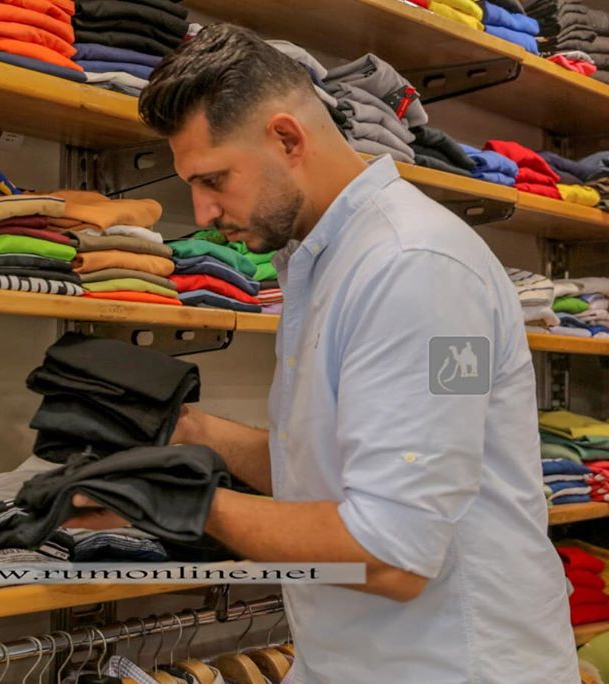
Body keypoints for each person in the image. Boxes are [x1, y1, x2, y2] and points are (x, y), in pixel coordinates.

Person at [65, 23, 578, 684]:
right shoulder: (327, 261)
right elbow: (334, 471)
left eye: (214, 178)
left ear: (287, 138)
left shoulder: (415, 268)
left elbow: (393, 554)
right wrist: (191, 434)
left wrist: (179, 502)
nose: (202, 210)